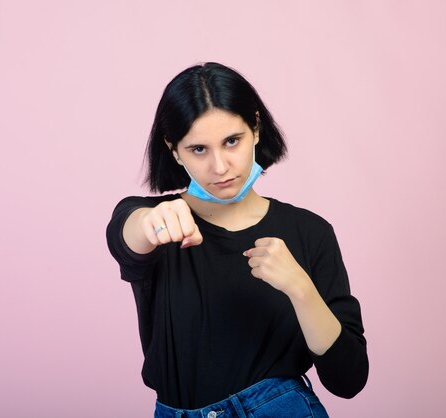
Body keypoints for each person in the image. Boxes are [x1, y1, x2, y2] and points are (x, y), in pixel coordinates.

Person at [106, 62, 368, 417]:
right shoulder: (158, 225)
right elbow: (125, 235)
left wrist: (301, 289)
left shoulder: (310, 232)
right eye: (199, 149)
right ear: (173, 149)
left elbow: (348, 379)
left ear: (256, 129)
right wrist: (151, 222)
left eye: (232, 141)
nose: (220, 167)